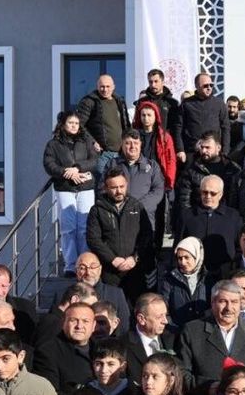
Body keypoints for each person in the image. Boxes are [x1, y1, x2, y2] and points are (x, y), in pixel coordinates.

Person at [175, 280, 245, 395]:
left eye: (234, 302)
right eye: (223, 301)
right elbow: (182, 373)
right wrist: (210, 388)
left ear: (240, 304)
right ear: (212, 302)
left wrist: (242, 386)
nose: (229, 308)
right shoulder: (192, 331)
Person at [87, 167, 155, 303]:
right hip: (109, 273)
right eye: (114, 187)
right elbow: (93, 239)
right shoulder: (97, 210)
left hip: (135, 271)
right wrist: (112, 259)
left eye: (122, 186)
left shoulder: (137, 206)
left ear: (126, 185)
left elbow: (146, 235)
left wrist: (135, 258)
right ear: (106, 188)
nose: (119, 191)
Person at [44, 112, 100, 269]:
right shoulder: (53, 144)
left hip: (85, 187)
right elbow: (49, 164)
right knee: (68, 227)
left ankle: (84, 263)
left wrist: (77, 168)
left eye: (76, 123)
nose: (74, 126)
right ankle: (70, 264)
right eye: (70, 123)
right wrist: (65, 172)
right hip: (65, 188)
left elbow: (94, 160)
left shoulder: (86, 141)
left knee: (84, 226)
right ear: (63, 124)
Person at [108, 129, 166, 233]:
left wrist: (138, 207)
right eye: (128, 143)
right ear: (122, 144)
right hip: (118, 220)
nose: (132, 146)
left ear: (140, 144)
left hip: (144, 219)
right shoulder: (112, 164)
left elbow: (158, 190)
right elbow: (103, 189)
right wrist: (119, 206)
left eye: (135, 143)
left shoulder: (152, 166)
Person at [75, 74, 131, 164]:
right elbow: (78, 125)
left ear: (113, 87)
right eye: (102, 86)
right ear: (97, 87)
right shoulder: (89, 102)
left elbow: (126, 125)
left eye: (108, 86)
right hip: (101, 154)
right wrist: (92, 141)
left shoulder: (120, 101)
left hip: (120, 153)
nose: (105, 90)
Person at [179, 72, 230, 163]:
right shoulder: (186, 104)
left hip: (213, 154)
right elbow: (178, 128)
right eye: (205, 85)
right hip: (192, 153)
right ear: (197, 86)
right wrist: (180, 149)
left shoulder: (219, 104)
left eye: (211, 85)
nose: (209, 87)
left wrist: (225, 151)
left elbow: (225, 128)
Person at [137, 68, 182, 150]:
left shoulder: (172, 103)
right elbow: (137, 123)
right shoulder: (142, 102)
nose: (153, 85)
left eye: (156, 81)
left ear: (162, 82)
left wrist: (179, 148)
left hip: (165, 143)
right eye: (150, 82)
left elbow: (176, 126)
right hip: (146, 143)